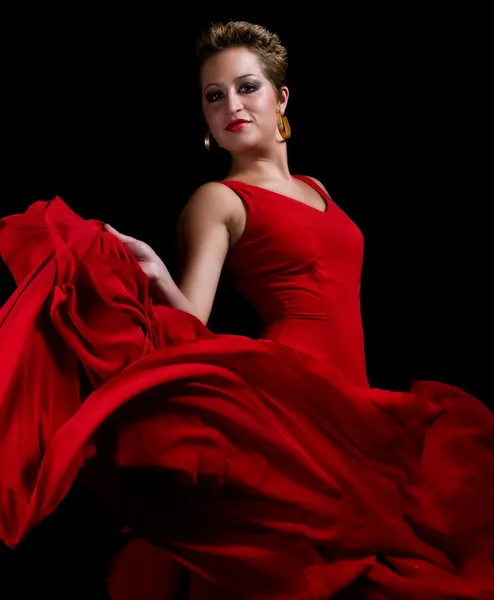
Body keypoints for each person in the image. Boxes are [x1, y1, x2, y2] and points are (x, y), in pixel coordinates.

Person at [0, 20, 493, 600]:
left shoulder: (318, 188)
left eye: (247, 87)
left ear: (281, 97)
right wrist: (156, 275)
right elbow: (194, 323)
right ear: (205, 117)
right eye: (214, 96)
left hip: (349, 394)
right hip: (293, 390)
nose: (232, 105)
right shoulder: (219, 199)